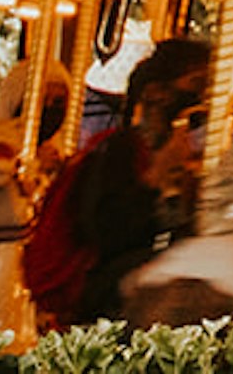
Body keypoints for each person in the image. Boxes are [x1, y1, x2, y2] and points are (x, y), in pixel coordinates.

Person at [26, 36, 209, 328]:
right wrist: (157, 186)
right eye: (197, 85)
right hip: (97, 292)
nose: (204, 99)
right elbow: (106, 229)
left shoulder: (171, 156)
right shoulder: (120, 150)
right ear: (156, 94)